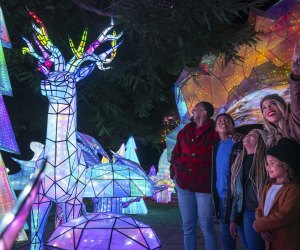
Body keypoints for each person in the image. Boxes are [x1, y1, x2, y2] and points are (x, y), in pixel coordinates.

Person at [170, 101, 219, 250]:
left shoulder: (215, 131)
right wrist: (174, 174)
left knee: (206, 225)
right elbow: (175, 154)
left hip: (203, 185)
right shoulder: (184, 132)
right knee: (188, 226)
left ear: (204, 112)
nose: (193, 110)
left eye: (196, 108)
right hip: (184, 184)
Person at [253, 138, 300, 250]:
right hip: (270, 240)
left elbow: (285, 216)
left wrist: (258, 225)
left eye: (272, 163)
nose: (268, 166)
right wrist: (262, 228)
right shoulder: (268, 186)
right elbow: (259, 209)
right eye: (267, 163)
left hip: (286, 242)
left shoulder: (293, 189)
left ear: (285, 165)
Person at [211, 113, 246, 250]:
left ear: (233, 126)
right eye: (219, 120)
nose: (223, 121)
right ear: (215, 129)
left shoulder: (241, 143)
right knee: (226, 239)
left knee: (246, 237)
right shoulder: (216, 147)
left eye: (227, 120)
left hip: (237, 198)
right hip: (221, 198)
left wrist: (244, 137)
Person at [230, 129, 268, 250]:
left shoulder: (266, 162)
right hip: (242, 213)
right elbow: (237, 193)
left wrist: (264, 222)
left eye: (253, 135)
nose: (247, 136)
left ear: (261, 141)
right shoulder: (239, 162)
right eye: (247, 134)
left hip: (258, 213)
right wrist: (233, 219)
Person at [260, 44, 300, 146]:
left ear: (282, 106)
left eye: (272, 103)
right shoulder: (269, 138)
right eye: (264, 108)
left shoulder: (294, 119)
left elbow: (296, 98)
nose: (268, 108)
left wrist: (296, 76)